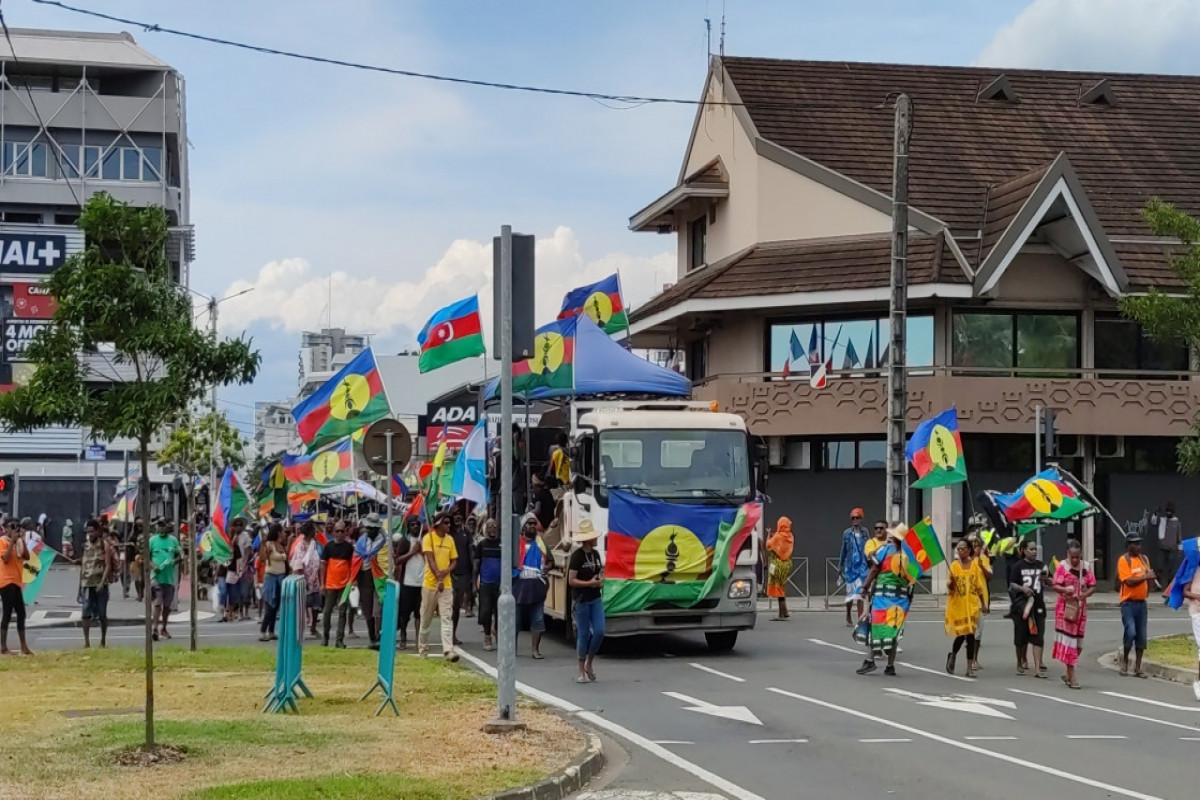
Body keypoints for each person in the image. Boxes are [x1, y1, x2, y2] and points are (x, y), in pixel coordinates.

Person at [854, 521, 915, 676]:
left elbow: (874, 569)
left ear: (893, 537)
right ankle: (890, 665)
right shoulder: (910, 556)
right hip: (901, 598)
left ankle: (869, 660)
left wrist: (865, 587)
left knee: (876, 627)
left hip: (883, 595)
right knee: (894, 630)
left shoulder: (886, 550)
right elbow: (912, 580)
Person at [1050, 540, 1096, 689]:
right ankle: (1073, 676)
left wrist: (1084, 595)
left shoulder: (1086, 567)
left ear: (1081, 555)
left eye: (1077, 557)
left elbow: (1092, 586)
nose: (1075, 560)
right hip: (1066, 610)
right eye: (1072, 557)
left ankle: (1067, 671)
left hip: (1081, 610)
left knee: (1078, 645)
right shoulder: (1062, 567)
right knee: (1070, 643)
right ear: (1068, 555)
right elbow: (1055, 585)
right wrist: (1065, 590)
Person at [418, 512, 459, 661]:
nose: (449, 525)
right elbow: (430, 559)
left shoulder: (450, 540)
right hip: (430, 584)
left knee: (447, 617)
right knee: (426, 619)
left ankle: (448, 650)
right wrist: (438, 576)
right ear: (438, 524)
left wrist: (446, 571)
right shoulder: (428, 538)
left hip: (446, 586)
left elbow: (454, 560)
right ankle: (422, 649)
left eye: (449, 523)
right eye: (446, 523)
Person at [569, 518, 605, 683]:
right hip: (582, 599)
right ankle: (581, 670)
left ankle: (589, 662)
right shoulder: (577, 556)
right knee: (583, 634)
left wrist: (599, 579)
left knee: (599, 631)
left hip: (595, 597)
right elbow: (571, 580)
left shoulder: (596, 555)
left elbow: (599, 570)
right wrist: (588, 583)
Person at [1116, 532, 1156, 678]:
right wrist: (1145, 576)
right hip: (1128, 603)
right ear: (1128, 545)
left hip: (1141, 603)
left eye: (1139, 543)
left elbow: (1148, 580)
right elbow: (1128, 581)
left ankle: (1138, 667)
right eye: (1135, 543)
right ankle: (1125, 661)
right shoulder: (1124, 560)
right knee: (1130, 631)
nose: (1138, 546)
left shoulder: (1144, 559)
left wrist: (1149, 584)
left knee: (1141, 636)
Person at [1007, 539, 1048, 678]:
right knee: (1021, 637)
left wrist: (1046, 578)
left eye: (1035, 549)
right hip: (1022, 606)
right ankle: (1020, 662)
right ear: (1024, 550)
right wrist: (1023, 589)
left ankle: (1037, 668)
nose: (1034, 552)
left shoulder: (1041, 566)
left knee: (1038, 637)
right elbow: (1012, 584)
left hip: (1038, 605)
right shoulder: (1018, 566)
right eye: (1031, 549)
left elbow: (1051, 581)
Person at [1166, 538, 1200, 701]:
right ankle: (1198, 681)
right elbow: (1185, 591)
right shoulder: (1193, 570)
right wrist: (1198, 596)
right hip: (1197, 612)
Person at [514, 513, 552, 659]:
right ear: (523, 527)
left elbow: (550, 561)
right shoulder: (516, 543)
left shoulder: (541, 544)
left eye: (534, 523)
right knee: (515, 622)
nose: (532, 526)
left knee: (537, 620)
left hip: (536, 588)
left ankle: (535, 650)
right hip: (518, 588)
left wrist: (546, 568)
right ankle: (513, 649)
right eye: (529, 523)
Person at [945, 539, 984, 678]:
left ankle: (969, 667)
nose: (960, 551)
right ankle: (953, 654)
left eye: (963, 549)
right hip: (958, 605)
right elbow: (949, 586)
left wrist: (984, 604)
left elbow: (979, 587)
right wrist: (952, 584)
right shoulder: (954, 566)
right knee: (961, 634)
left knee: (971, 635)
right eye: (958, 549)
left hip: (972, 605)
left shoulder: (974, 566)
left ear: (969, 550)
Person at [79, 519, 116, 649]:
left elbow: (108, 565)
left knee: (102, 614)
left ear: (97, 531)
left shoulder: (103, 545)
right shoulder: (85, 545)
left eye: (92, 531)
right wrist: (79, 587)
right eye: (88, 532)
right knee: (85, 613)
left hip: (100, 584)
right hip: (86, 584)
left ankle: (103, 641)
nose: (90, 534)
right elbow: (83, 565)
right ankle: (86, 642)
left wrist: (102, 583)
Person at [354, 514, 388, 650]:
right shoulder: (361, 541)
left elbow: (387, 561)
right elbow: (356, 558)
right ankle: (372, 638)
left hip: (380, 576)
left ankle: (379, 636)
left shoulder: (384, 542)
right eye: (368, 527)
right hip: (365, 576)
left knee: (377, 608)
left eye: (372, 528)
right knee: (367, 609)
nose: (370, 530)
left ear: (377, 528)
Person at [319, 520, 354, 648]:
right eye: (337, 531)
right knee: (327, 612)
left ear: (346, 532)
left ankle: (339, 640)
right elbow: (323, 565)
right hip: (330, 585)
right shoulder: (328, 547)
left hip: (344, 586)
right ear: (334, 532)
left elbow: (352, 566)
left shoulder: (349, 547)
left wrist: (352, 582)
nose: (339, 533)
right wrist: (322, 584)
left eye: (342, 531)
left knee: (342, 612)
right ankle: (325, 637)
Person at [148, 519, 183, 641]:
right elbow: (146, 557)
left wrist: (174, 561)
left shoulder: (173, 540)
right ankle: (154, 629)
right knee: (157, 602)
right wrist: (153, 566)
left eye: (164, 526)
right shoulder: (152, 540)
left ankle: (164, 628)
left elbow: (181, 556)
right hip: (156, 577)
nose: (161, 528)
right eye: (159, 526)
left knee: (167, 606)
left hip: (169, 578)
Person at [0, 518, 31, 655]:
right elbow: (5, 559)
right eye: (12, 528)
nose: (14, 531)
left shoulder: (18, 542)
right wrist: (12, 541)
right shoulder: (2, 541)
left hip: (17, 581)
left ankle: (24, 646)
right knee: (7, 613)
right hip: (6, 581)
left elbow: (27, 556)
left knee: (21, 614)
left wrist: (21, 539)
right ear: (6, 528)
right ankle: (3, 647)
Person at [394, 516, 424, 650]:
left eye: (417, 524)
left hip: (422, 583)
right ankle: (404, 637)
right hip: (407, 582)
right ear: (408, 527)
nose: (416, 527)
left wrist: (422, 551)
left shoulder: (424, 540)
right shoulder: (404, 541)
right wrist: (412, 552)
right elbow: (397, 560)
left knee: (420, 613)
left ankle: (419, 639)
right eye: (412, 525)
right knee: (404, 614)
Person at [288, 521, 322, 636]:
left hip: (315, 579)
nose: (315, 532)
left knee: (316, 605)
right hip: (303, 580)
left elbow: (318, 561)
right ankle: (299, 629)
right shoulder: (300, 546)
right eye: (313, 530)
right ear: (309, 532)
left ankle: (313, 627)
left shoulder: (314, 544)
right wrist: (304, 580)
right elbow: (299, 564)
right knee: (302, 606)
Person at [474, 518, 502, 651]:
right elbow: (476, 565)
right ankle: (487, 636)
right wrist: (474, 583)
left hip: (500, 584)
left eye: (495, 527)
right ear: (485, 529)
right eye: (490, 527)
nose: (492, 529)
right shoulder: (482, 545)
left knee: (500, 612)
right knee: (485, 612)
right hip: (485, 583)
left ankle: (496, 630)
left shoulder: (502, 544)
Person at [839, 508, 869, 627]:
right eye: (853, 518)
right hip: (850, 568)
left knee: (860, 594)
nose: (855, 520)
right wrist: (840, 566)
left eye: (857, 518)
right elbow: (843, 550)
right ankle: (848, 614)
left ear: (861, 519)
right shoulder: (846, 533)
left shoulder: (865, 532)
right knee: (850, 595)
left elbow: (869, 547)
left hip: (862, 567)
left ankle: (860, 619)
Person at [449, 509, 474, 647]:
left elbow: (471, 553)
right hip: (449, 574)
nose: (458, 517)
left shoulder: (467, 533)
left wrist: (472, 574)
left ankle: (453, 634)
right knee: (450, 606)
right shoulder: (448, 533)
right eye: (455, 515)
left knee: (457, 608)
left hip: (463, 574)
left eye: (460, 515)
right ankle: (447, 635)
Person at [967, 533, 992, 673]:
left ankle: (975, 659)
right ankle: (968, 659)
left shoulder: (984, 559)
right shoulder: (966, 560)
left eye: (978, 545)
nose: (976, 548)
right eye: (974, 545)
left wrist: (982, 566)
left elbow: (989, 577)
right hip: (969, 600)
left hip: (982, 600)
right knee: (969, 632)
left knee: (978, 633)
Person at [259, 523, 287, 642]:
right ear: (277, 532)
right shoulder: (269, 545)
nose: (283, 533)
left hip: (281, 576)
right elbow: (262, 558)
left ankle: (271, 631)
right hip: (271, 577)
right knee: (270, 605)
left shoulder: (280, 545)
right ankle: (263, 630)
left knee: (276, 606)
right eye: (282, 531)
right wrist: (263, 545)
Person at [765, 517, 794, 620]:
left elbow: (768, 545)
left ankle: (781, 615)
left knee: (778, 589)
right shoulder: (790, 536)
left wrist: (768, 534)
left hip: (777, 565)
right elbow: (781, 546)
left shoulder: (777, 536)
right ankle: (785, 611)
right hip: (787, 564)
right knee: (781, 587)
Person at [1156, 501, 1183, 583]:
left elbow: (1179, 536)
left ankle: (1169, 584)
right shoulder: (1163, 520)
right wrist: (1156, 513)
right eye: (1167, 511)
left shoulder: (1177, 523)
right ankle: (1158, 584)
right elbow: (1154, 522)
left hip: (1172, 549)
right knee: (1159, 565)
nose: (1168, 513)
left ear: (1173, 512)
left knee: (1170, 568)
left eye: (1169, 512)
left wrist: (1180, 549)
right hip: (1162, 548)